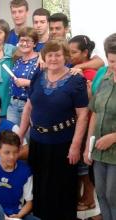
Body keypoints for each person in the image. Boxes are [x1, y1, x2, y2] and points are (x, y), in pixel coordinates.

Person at [19, 39, 88, 220]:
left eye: (58, 55)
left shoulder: (76, 80)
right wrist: (20, 134)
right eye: (50, 55)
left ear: (65, 56)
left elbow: (82, 115)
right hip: (38, 142)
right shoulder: (37, 74)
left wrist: (76, 145)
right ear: (44, 56)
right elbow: (28, 107)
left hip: (63, 144)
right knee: (40, 185)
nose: (53, 58)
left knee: (62, 187)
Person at [84, 33, 116, 220]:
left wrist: (113, 137)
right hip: (98, 149)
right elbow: (94, 111)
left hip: (113, 149)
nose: (114, 66)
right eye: (111, 61)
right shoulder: (103, 78)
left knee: (113, 196)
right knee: (101, 194)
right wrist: (89, 144)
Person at [0, 130, 40, 220]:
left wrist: (18, 216)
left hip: (15, 214)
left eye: (15, 152)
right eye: (7, 152)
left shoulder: (26, 171)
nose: (12, 157)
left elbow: (29, 203)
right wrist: (1, 216)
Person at [69, 35, 97, 211]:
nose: (70, 55)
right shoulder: (72, 68)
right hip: (74, 122)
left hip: (87, 123)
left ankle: (89, 198)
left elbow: (92, 103)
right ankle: (80, 195)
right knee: (77, 163)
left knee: (84, 164)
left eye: (74, 52)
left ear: (85, 53)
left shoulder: (91, 74)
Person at [7, 27, 38, 126]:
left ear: (35, 44)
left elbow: (46, 84)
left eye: (28, 41)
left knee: (27, 138)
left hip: (30, 105)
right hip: (13, 105)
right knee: (12, 138)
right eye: (22, 40)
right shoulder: (18, 60)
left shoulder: (40, 61)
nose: (24, 44)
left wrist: (28, 83)